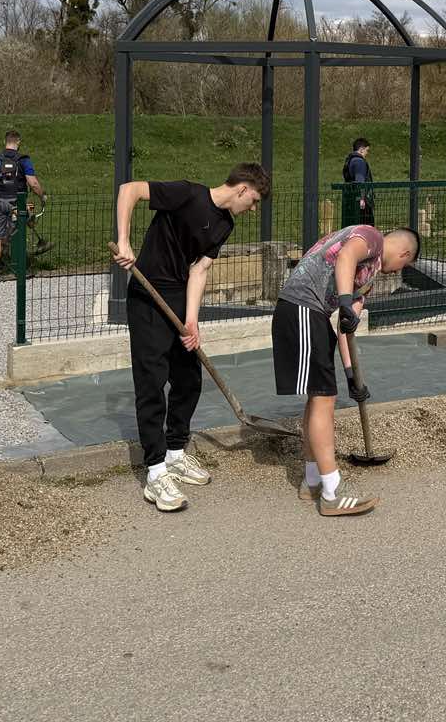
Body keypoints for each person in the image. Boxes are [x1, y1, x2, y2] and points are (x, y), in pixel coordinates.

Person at [113, 163, 271, 513]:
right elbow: (130, 190)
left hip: (179, 299)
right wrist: (124, 240)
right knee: (152, 382)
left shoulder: (224, 224)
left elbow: (199, 269)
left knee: (188, 379)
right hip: (148, 296)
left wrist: (192, 321)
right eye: (255, 201)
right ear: (243, 189)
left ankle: (174, 452)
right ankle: (155, 472)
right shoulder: (187, 194)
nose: (253, 209)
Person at [273, 223, 421, 517]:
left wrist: (352, 376)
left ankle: (312, 481)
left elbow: (346, 327)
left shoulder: (367, 279)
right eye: (404, 266)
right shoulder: (372, 238)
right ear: (405, 254)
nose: (396, 271)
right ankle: (332, 491)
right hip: (302, 306)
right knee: (323, 399)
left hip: (312, 313)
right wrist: (342, 301)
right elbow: (346, 256)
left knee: (319, 397)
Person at [0, 130, 46, 281]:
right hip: (17, 203)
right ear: (18, 142)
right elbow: (33, 183)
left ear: (5, 142)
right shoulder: (23, 160)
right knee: (18, 233)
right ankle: (19, 269)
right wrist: (42, 196)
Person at [342, 137, 374, 228]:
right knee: (366, 228)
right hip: (360, 202)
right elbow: (360, 181)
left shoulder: (350, 160)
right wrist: (362, 198)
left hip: (351, 199)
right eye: (367, 150)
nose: (367, 153)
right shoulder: (359, 162)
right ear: (361, 149)